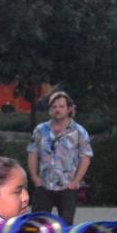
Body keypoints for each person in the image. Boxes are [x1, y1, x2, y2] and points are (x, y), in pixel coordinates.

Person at [26, 90, 92, 223]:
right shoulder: (40, 130)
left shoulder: (79, 131)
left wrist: (75, 182)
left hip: (67, 186)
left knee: (66, 226)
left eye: (61, 106)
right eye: (54, 107)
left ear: (69, 109)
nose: (58, 110)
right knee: (36, 224)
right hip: (44, 185)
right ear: (50, 109)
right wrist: (34, 177)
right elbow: (32, 153)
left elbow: (86, 157)